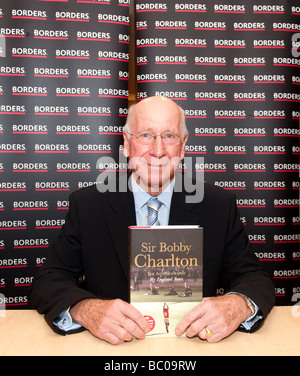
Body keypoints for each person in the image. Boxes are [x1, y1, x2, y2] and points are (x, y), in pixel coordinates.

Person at [30, 96, 275, 345]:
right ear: (126, 144)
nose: (158, 151)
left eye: (169, 136)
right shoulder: (89, 205)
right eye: (146, 135)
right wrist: (85, 309)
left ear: (182, 146)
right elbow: (49, 279)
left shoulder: (218, 206)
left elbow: (255, 279)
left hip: (193, 346)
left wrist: (237, 304)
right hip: (112, 349)